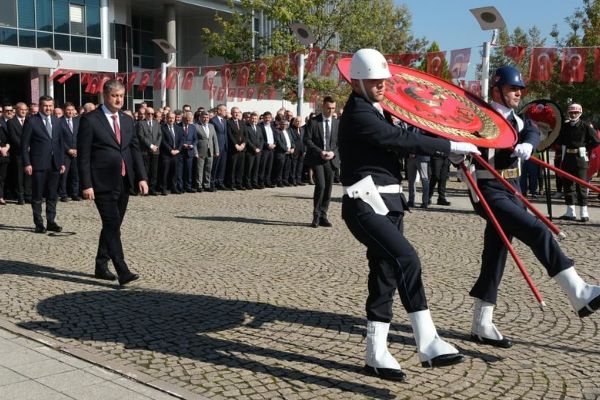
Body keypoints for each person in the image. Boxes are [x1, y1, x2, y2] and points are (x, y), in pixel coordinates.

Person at [339, 49, 477, 380]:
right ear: (357, 81)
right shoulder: (358, 112)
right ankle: (427, 339)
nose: (381, 85)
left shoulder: (376, 109)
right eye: (374, 81)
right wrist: (449, 146)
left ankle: (375, 353)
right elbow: (397, 139)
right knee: (407, 258)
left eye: (383, 80)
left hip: (389, 203)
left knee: (385, 276)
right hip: (365, 204)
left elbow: (406, 136)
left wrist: (451, 147)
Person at [466, 66, 600, 350]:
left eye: (520, 89)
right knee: (538, 231)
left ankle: (481, 322)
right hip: (488, 189)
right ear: (497, 90)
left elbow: (534, 133)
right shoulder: (480, 116)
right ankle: (578, 292)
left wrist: (528, 143)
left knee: (496, 254)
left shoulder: (518, 118)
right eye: (514, 89)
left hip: (513, 191)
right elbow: (456, 133)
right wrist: (458, 148)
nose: (518, 93)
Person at [78, 79, 148, 286]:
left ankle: (101, 264)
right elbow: (84, 155)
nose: (118, 99)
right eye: (114, 96)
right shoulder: (90, 120)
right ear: (105, 95)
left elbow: (134, 150)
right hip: (101, 182)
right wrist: (86, 184)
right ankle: (122, 269)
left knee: (114, 225)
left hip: (124, 181)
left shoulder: (127, 120)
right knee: (110, 224)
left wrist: (142, 177)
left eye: (121, 95)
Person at [21, 95, 65, 233]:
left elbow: (60, 143)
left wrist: (62, 161)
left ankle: (51, 221)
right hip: (38, 164)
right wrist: (27, 163)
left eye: (50, 105)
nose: (48, 108)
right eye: (46, 106)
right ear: (40, 106)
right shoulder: (31, 121)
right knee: (37, 196)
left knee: (52, 195)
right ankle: (39, 224)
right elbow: (24, 145)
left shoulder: (57, 121)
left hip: (55, 164)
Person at [556, 103, 600, 222]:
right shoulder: (565, 126)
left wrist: (585, 147)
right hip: (567, 157)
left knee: (581, 186)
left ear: (580, 113)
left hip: (580, 158)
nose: (573, 114)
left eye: (575, 112)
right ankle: (570, 212)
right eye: (571, 112)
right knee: (568, 185)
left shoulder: (585, 126)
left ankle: (584, 212)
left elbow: (596, 140)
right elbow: (559, 140)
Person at [305, 96, 339, 228]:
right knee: (321, 185)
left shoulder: (337, 123)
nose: (331, 111)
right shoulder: (314, 122)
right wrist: (320, 151)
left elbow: (340, 143)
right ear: (323, 106)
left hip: (331, 159)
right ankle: (316, 215)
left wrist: (333, 153)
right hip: (317, 158)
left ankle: (324, 214)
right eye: (328, 108)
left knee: (329, 187)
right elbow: (307, 140)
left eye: (333, 108)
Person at [6, 102, 31, 204]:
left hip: (30, 152)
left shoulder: (30, 121)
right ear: (16, 110)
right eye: (21, 109)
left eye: (25, 109)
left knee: (29, 174)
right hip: (18, 153)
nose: (24, 111)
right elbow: (13, 137)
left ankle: (28, 195)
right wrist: (25, 147)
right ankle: (20, 196)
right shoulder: (11, 122)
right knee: (19, 175)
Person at [136, 107, 162, 195]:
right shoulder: (140, 123)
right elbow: (141, 136)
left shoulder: (156, 123)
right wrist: (150, 145)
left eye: (152, 114)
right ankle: (145, 189)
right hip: (145, 151)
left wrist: (156, 146)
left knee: (154, 171)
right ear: (145, 114)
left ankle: (153, 188)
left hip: (155, 151)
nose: (150, 115)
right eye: (148, 114)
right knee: (146, 170)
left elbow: (160, 135)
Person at [58, 102, 81, 202]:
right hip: (64, 153)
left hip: (76, 152)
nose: (70, 112)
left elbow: (81, 136)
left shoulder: (77, 121)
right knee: (64, 175)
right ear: (64, 110)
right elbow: (59, 139)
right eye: (68, 110)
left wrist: (77, 149)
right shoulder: (59, 122)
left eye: (72, 109)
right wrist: (68, 149)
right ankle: (63, 194)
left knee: (75, 174)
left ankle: (74, 194)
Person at [194, 111, 219, 192]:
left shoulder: (211, 126)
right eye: (204, 117)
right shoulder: (196, 126)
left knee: (208, 169)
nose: (206, 119)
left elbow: (214, 139)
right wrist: (195, 152)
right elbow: (194, 140)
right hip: (200, 151)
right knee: (199, 169)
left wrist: (216, 150)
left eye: (207, 117)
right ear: (200, 118)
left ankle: (207, 185)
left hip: (210, 151)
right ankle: (199, 185)